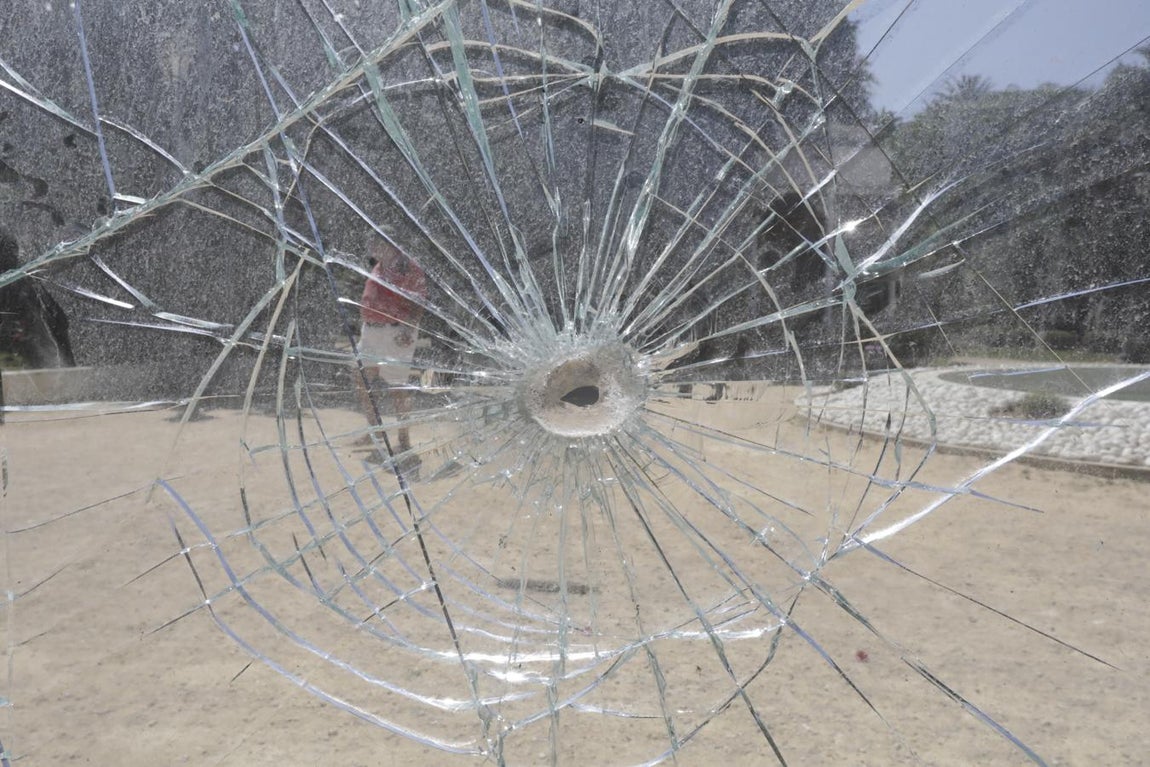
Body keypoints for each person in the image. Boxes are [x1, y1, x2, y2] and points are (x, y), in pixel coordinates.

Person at [355, 239, 427, 474]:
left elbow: (418, 301)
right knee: (362, 379)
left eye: (377, 244)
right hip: (371, 331)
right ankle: (375, 432)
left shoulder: (409, 267)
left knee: (397, 387)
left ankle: (403, 439)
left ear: (391, 245)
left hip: (396, 333)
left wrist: (408, 328)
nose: (373, 249)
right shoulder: (379, 266)